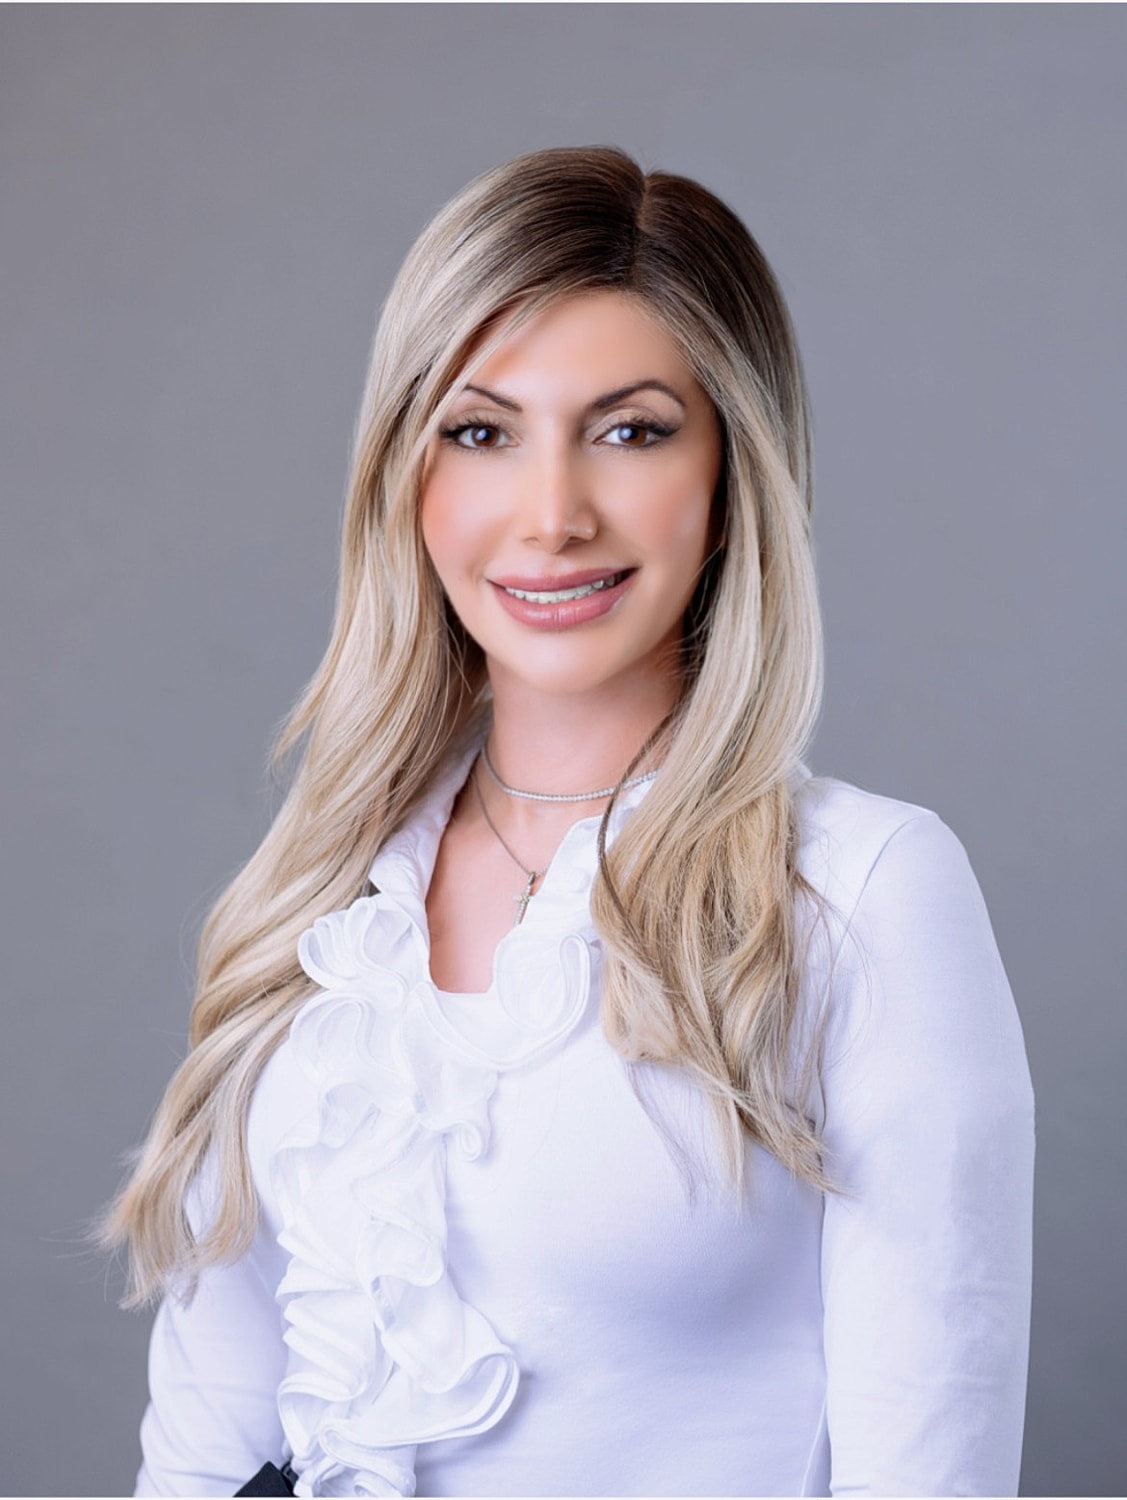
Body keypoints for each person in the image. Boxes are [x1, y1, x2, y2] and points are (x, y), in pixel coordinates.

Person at [104, 146, 1035, 1498]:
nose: (552, 516)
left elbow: (928, 1461)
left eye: (632, 429)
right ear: (406, 481)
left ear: (730, 482)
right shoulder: (320, 909)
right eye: (481, 432)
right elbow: (203, 1442)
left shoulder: (864, 892)